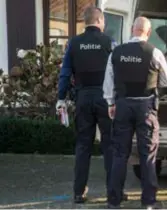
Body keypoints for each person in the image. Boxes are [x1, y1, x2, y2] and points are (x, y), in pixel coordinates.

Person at [55, 6, 127, 204]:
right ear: (100, 21)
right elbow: (120, 71)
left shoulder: (74, 43)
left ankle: (79, 192)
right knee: (110, 145)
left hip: (83, 98)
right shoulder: (109, 42)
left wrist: (61, 98)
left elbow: (65, 72)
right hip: (106, 99)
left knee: (83, 146)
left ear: (85, 22)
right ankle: (114, 191)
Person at [104, 16, 167, 209]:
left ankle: (114, 201)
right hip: (146, 108)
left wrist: (111, 103)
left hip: (123, 106)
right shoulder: (155, 52)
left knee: (119, 154)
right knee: (148, 155)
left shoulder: (116, 53)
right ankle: (149, 202)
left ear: (132, 30)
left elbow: (108, 83)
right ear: (148, 33)